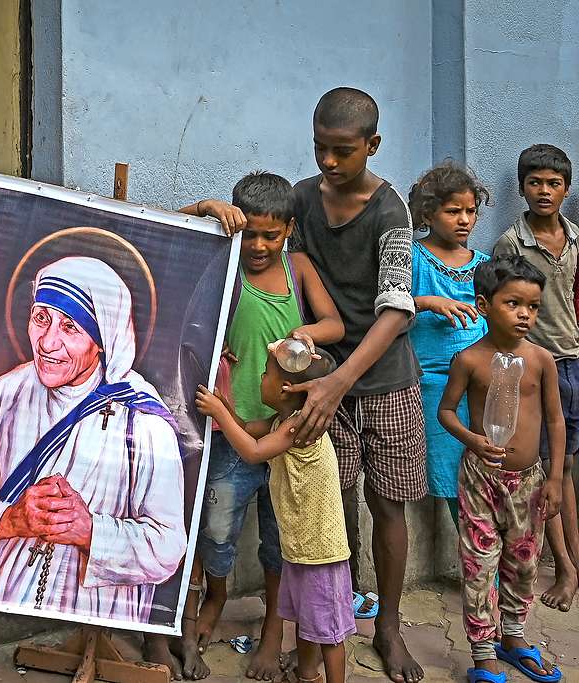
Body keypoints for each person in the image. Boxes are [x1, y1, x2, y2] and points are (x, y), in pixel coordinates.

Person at [146, 173, 345, 681]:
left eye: (270, 235)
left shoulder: (297, 268)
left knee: (281, 541)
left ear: (288, 231)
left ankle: (274, 631)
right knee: (214, 532)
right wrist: (205, 206)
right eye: (250, 233)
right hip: (231, 431)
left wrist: (300, 335)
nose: (258, 245)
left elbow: (335, 325)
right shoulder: (223, 262)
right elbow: (163, 237)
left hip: (285, 436)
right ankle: (215, 596)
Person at [0, 256, 187, 623]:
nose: (48, 342)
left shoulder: (142, 423)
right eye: (41, 318)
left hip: (90, 615)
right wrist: (11, 519)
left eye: (70, 327)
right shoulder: (5, 394)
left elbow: (168, 547)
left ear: (102, 340)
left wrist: (90, 531)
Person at [287, 87, 425, 683]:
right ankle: (328, 630)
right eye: (320, 148)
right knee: (331, 511)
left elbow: (396, 311)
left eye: (342, 151)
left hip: (385, 382)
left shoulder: (391, 213)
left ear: (373, 145)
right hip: (321, 384)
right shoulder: (300, 200)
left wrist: (340, 382)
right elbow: (261, 240)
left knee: (386, 507)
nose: (328, 163)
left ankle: (389, 626)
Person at [437, 255, 564, 683]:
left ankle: (513, 637)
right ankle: (482, 652)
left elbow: (554, 421)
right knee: (479, 565)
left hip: (528, 482)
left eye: (533, 306)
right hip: (480, 479)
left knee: (524, 563)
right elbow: (447, 412)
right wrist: (472, 439)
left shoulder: (542, 359)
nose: (525, 314)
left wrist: (554, 478)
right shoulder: (469, 360)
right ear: (484, 304)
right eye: (514, 303)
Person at [195, 348, 354, 683]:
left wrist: (220, 414)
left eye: (266, 374)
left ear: (284, 388)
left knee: (328, 631)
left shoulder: (300, 427)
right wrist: (224, 407)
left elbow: (253, 452)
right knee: (307, 620)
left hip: (320, 551)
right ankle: (307, 675)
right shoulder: (283, 421)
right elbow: (248, 430)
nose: (260, 378)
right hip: (299, 547)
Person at [492, 144, 579, 612]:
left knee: (567, 467)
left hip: (574, 364)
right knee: (547, 469)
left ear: (566, 189)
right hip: (535, 368)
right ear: (522, 188)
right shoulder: (511, 242)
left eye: (553, 183)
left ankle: (571, 567)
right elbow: (504, 306)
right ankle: (564, 567)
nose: (544, 192)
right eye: (534, 183)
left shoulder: (575, 237)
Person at [407, 162, 491, 523]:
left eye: (471, 211)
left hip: (483, 384)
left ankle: (490, 565)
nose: (464, 220)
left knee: (487, 468)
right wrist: (427, 302)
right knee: (452, 470)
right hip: (435, 383)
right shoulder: (413, 258)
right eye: (453, 211)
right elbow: (387, 306)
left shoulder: (485, 266)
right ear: (428, 212)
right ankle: (477, 561)